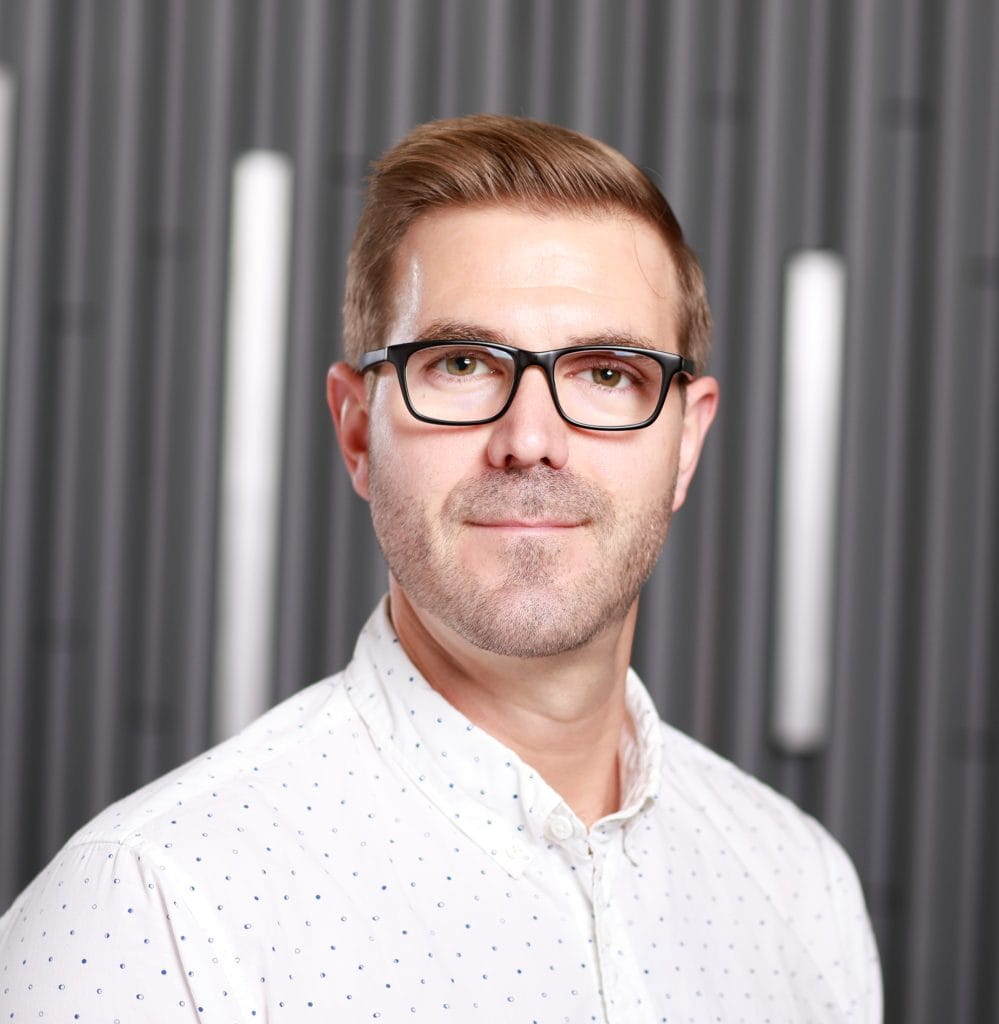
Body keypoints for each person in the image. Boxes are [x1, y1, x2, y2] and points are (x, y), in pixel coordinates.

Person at [0, 114, 881, 1022]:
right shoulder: (149, 914)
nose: (530, 440)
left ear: (685, 442)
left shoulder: (802, 888)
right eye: (461, 363)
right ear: (357, 432)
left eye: (606, 374)